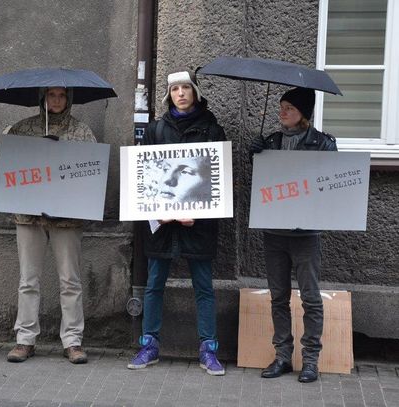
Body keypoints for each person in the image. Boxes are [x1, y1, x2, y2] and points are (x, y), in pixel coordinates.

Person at [127, 68, 226, 375]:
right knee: (154, 284)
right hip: (163, 223)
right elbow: (145, 175)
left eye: (185, 88)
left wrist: (198, 212)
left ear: (195, 92)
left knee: (203, 287)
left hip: (198, 223)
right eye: (174, 90)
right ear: (168, 95)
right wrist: (158, 211)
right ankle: (149, 345)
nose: (180, 93)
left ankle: (208, 349)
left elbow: (219, 179)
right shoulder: (156, 130)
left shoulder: (212, 129)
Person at [248, 87, 337, 383]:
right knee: (278, 297)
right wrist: (256, 156)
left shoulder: (322, 144)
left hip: (306, 234)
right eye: (281, 106)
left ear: (303, 114)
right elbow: (265, 184)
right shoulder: (271, 142)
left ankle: (310, 360)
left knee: (311, 298)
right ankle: (283, 356)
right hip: (274, 232)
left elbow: (330, 183)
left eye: (289, 107)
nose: (282, 112)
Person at [6, 87, 95, 364]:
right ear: (42, 98)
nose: (56, 100)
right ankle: (25, 339)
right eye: (51, 95)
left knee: (70, 280)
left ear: (69, 99)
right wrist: (27, 151)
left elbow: (93, 169)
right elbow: (4, 164)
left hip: (67, 219)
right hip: (28, 216)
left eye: (61, 96)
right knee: (28, 280)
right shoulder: (22, 129)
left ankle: (72, 341)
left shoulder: (82, 132)